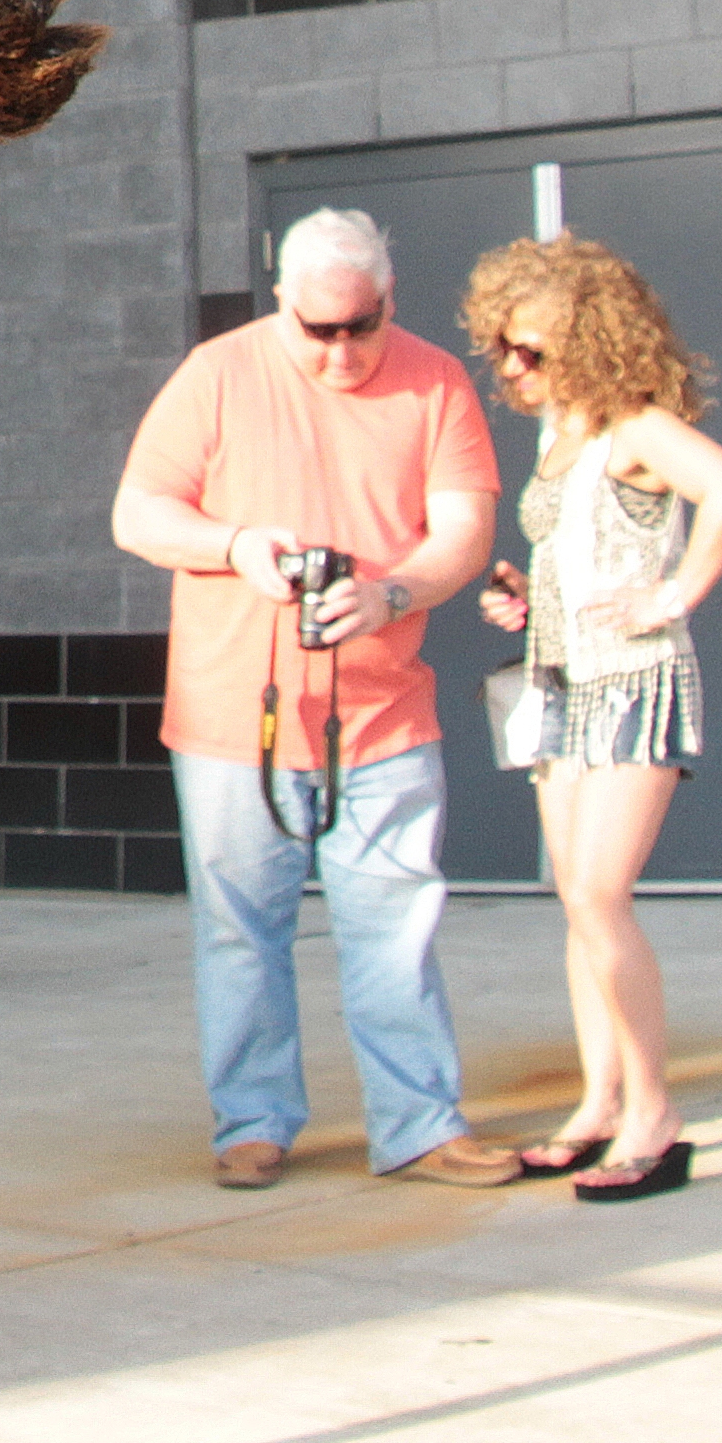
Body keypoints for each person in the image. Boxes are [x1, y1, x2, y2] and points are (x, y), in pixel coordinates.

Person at [113, 207, 522, 1189]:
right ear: (282, 304)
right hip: (231, 711)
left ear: (388, 301)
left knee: (394, 921)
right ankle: (250, 1119)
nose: (340, 352)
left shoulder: (433, 380)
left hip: (379, 708)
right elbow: (139, 511)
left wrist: (389, 592)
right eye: (316, 330)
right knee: (237, 925)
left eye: (359, 327)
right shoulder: (218, 374)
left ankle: (419, 1123)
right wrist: (236, 545)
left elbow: (462, 531)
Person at [466, 234, 722, 1205]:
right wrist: (520, 592)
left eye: (531, 351)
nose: (511, 367)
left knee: (597, 896)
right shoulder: (562, 432)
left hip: (634, 683)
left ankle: (653, 1118)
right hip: (562, 684)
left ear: (587, 342)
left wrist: (671, 596)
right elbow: (577, 554)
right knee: (577, 904)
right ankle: (597, 1105)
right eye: (502, 347)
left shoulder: (635, 422)